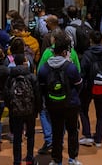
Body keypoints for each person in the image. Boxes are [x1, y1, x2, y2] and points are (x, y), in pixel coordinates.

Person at [37, 34, 83, 165]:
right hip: (71, 104)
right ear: (64, 52)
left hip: (53, 105)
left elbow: (41, 86)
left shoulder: (45, 67)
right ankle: (73, 158)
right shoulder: (70, 67)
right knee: (73, 131)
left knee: (57, 132)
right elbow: (79, 85)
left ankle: (56, 160)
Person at [79, 31, 102, 148]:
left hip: (88, 88)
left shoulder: (87, 55)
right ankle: (99, 139)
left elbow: (83, 73)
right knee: (101, 114)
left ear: (91, 41)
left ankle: (87, 135)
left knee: (84, 110)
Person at [4, 53, 41, 165]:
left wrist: (10, 107)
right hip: (30, 111)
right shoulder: (32, 77)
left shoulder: (11, 77)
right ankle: (29, 159)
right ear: (25, 62)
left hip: (15, 111)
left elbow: (7, 94)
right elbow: (37, 95)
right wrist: (37, 110)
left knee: (17, 137)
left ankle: (17, 161)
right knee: (30, 135)